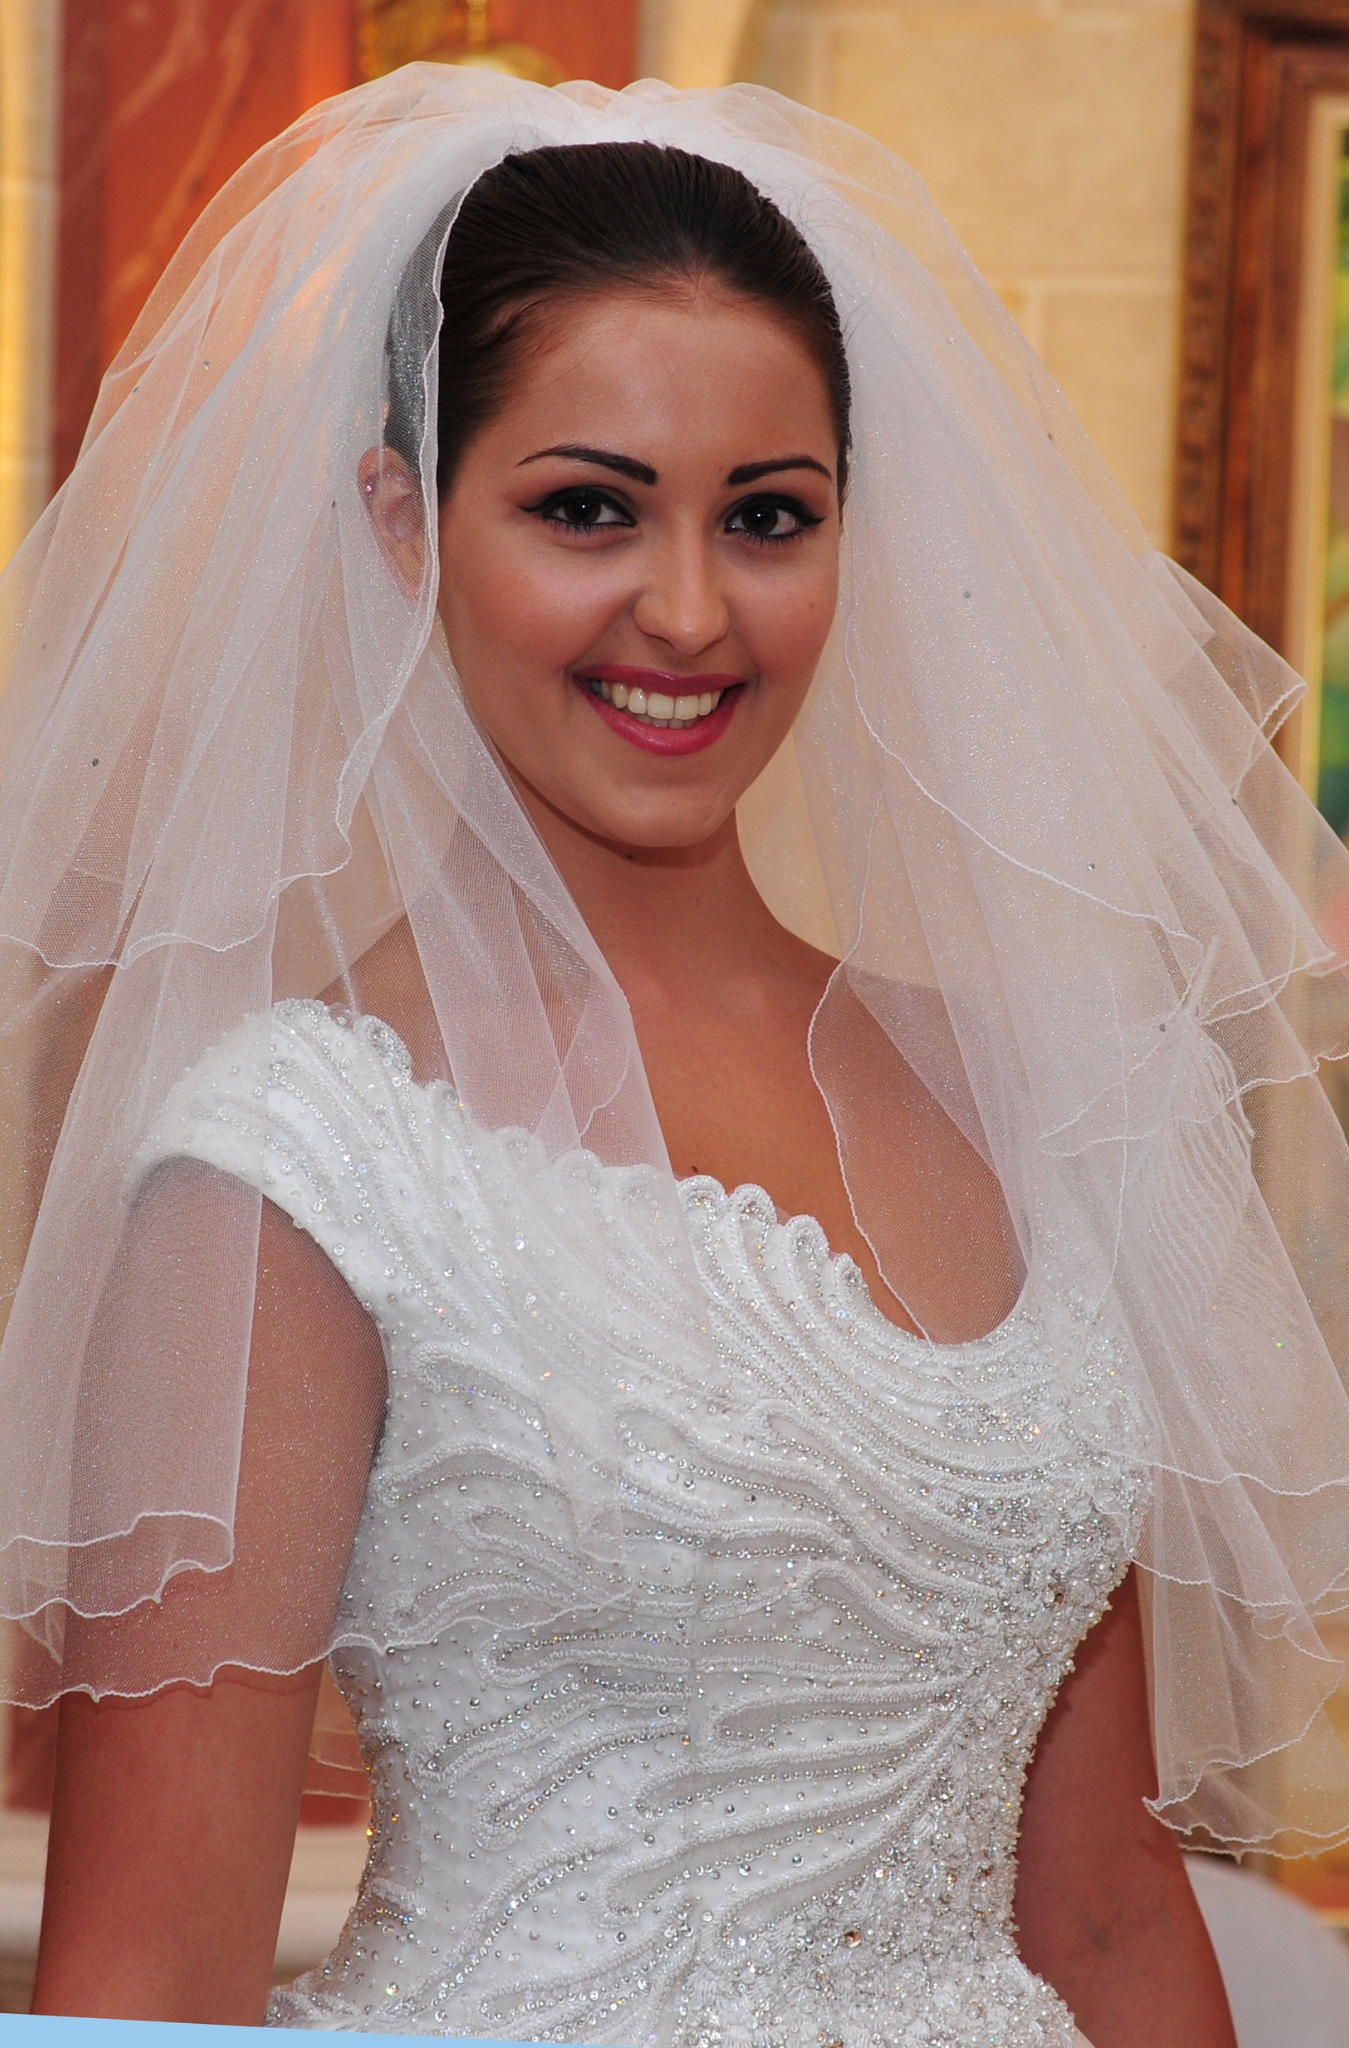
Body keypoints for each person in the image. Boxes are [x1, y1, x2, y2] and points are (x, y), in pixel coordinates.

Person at [2, 66, 1348, 2048]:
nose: (692, 609)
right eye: (585, 509)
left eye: (771, 516)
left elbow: (1105, 1905)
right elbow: (149, 1989)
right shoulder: (287, 1160)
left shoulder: (1017, 1090)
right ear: (404, 522)